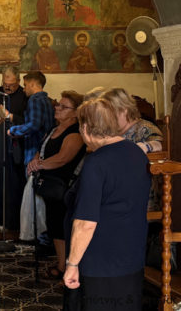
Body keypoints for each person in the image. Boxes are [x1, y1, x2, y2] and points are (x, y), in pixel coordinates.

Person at [64, 98, 150, 311]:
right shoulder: (136, 153)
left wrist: (72, 264)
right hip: (132, 258)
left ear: (86, 128)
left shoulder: (96, 162)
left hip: (100, 263)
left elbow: (85, 223)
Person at [26, 91, 86, 278]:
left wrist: (40, 164)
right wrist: (36, 160)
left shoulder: (75, 132)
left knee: (64, 225)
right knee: (54, 225)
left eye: (63, 107)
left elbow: (63, 158)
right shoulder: (54, 129)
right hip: (50, 184)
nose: (57, 108)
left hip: (65, 185)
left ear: (75, 113)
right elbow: (42, 150)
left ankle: (69, 266)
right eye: (58, 105)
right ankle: (62, 264)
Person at [0, 66, 28, 231]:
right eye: (5, 84)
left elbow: (28, 121)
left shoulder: (25, 95)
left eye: (11, 85)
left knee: (14, 184)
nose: (7, 88)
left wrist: (11, 116)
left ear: (18, 81)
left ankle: (13, 223)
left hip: (17, 146)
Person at [8, 71, 54, 167]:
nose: (23, 89)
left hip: (33, 150)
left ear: (32, 84)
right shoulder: (47, 100)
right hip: (45, 149)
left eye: (25, 85)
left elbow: (34, 125)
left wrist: (13, 131)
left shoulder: (34, 100)